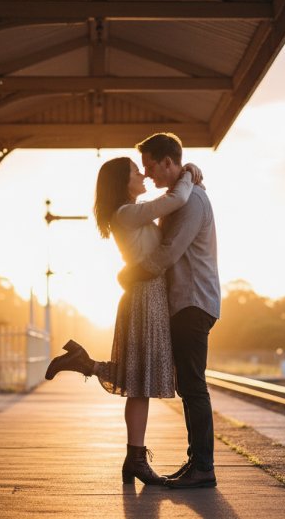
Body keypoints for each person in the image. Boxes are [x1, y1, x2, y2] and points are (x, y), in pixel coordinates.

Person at [45, 155, 203, 486]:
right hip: (145, 296)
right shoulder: (126, 213)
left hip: (148, 294)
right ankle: (135, 458)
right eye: (136, 171)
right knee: (139, 381)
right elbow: (177, 199)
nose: (143, 174)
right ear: (122, 182)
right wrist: (188, 171)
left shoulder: (132, 213)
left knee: (138, 379)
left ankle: (85, 365)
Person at [118, 132, 220, 490]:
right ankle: (196, 462)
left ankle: (204, 466)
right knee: (188, 386)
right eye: (142, 168)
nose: (149, 175)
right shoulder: (181, 197)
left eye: (151, 167)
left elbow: (168, 253)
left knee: (193, 387)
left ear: (168, 162)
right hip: (185, 302)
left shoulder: (192, 203)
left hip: (192, 302)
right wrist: (191, 173)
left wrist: (131, 273)